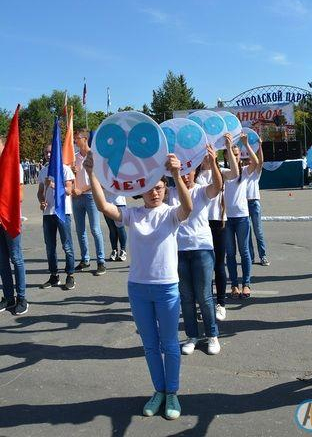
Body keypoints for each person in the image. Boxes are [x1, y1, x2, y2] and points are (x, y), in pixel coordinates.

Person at [84, 150, 192, 420]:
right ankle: (158, 391)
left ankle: (173, 394)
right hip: (138, 289)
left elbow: (188, 208)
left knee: (169, 344)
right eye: (150, 190)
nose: (154, 194)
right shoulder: (133, 215)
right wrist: (90, 173)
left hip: (167, 288)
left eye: (159, 188)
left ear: (165, 189)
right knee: (150, 345)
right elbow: (103, 207)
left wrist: (177, 174)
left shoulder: (171, 214)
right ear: (141, 191)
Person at [171, 144, 223, 356]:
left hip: (202, 248)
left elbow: (218, 186)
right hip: (179, 251)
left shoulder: (201, 191)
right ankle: (192, 336)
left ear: (195, 171)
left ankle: (212, 335)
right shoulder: (171, 193)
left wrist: (214, 162)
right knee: (186, 297)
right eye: (181, 173)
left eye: (188, 172)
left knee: (204, 295)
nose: (185, 177)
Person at [196, 134, 239, 322]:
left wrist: (228, 148)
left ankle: (220, 303)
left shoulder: (220, 171)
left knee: (218, 264)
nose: (207, 156)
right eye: (204, 153)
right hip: (199, 224)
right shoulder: (194, 174)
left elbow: (236, 174)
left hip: (218, 222)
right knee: (202, 268)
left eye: (210, 153)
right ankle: (205, 303)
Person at [37, 144, 76, 290]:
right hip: (48, 214)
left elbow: (68, 190)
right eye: (46, 152)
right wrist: (41, 201)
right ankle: (54, 276)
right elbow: (40, 191)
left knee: (67, 246)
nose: (48, 155)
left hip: (62, 212)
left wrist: (53, 185)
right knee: (50, 247)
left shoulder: (64, 169)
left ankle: (70, 275)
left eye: (50, 152)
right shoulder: (43, 171)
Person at [224, 133, 258, 298]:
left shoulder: (244, 171)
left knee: (244, 251)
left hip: (242, 217)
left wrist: (246, 144)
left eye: (237, 154)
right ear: (226, 156)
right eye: (231, 153)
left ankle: (246, 284)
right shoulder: (224, 172)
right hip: (226, 219)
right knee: (230, 254)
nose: (235, 157)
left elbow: (256, 162)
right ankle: (234, 286)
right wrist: (228, 146)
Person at [71, 129, 106, 276]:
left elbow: (99, 181)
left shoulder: (95, 156)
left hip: (91, 196)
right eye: (74, 139)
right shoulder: (75, 157)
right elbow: (70, 178)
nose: (75, 142)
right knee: (80, 231)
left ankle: (101, 261)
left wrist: (83, 189)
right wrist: (72, 173)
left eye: (77, 139)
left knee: (95, 229)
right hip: (76, 198)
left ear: (85, 139)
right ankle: (85, 259)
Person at [0, 136, 28, 315]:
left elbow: (20, 196)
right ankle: (8, 297)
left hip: (10, 220)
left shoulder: (14, 167)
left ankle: (22, 298)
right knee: (2, 262)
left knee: (16, 258)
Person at [245, 138, 269, 266]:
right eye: (248, 159)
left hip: (254, 203)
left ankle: (263, 256)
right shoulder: (242, 173)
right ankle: (251, 257)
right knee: (246, 233)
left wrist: (260, 145)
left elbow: (261, 161)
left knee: (258, 231)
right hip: (243, 204)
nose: (250, 162)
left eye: (251, 159)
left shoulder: (255, 173)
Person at [103, 190, 128, 262]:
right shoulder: (103, 178)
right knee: (112, 229)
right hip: (107, 203)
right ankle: (114, 250)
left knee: (120, 228)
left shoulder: (121, 177)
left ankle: (123, 250)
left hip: (119, 203)